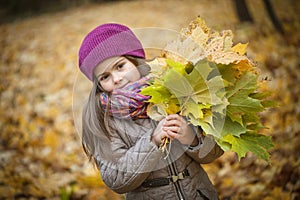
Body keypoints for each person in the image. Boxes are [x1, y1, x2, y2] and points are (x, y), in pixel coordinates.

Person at [78, 23, 224, 200]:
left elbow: (214, 152)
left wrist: (191, 139)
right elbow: (116, 179)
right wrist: (152, 141)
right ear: (98, 84)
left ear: (135, 60)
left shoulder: (174, 89)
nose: (116, 79)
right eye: (105, 77)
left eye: (120, 66)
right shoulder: (105, 119)